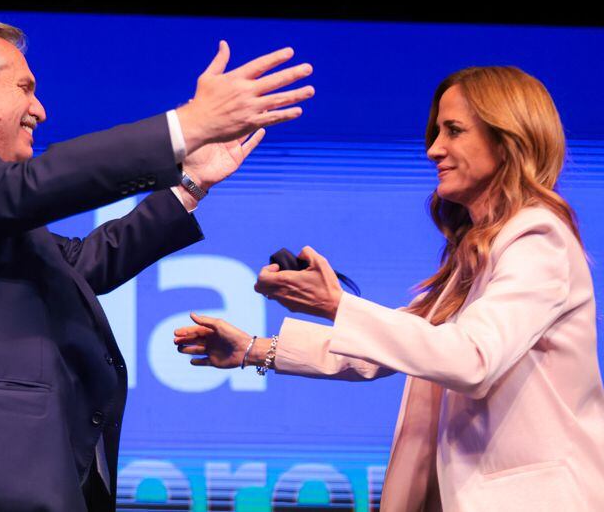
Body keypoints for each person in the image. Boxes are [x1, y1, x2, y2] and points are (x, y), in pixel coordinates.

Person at [0, 19, 315, 511]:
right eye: (25, 88)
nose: (39, 109)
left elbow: (79, 264)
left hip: (11, 477)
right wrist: (186, 125)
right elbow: (41, 183)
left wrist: (190, 183)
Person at [174, 66, 604, 511]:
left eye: (454, 131)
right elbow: (396, 345)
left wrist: (338, 305)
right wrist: (252, 348)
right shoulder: (476, 253)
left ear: (507, 139)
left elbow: (471, 358)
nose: (435, 149)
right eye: (436, 132)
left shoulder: (537, 238)